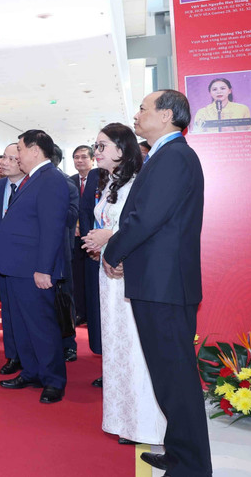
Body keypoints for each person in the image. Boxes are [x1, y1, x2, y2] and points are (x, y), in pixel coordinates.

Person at [96, 90, 210, 475]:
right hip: (157, 282)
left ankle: (192, 466)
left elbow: (146, 218)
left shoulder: (174, 156)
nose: (137, 114)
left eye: (143, 108)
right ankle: (179, 452)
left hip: (164, 286)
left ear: (165, 115)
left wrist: (114, 252)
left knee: (176, 380)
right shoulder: (166, 154)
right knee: (168, 377)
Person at [81, 124, 166, 446]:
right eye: (96, 145)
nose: (96, 151)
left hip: (129, 274)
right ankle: (122, 418)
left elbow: (143, 227)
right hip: (110, 274)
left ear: (122, 149)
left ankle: (145, 423)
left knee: (134, 347)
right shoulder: (110, 181)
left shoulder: (137, 182)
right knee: (116, 347)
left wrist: (109, 239)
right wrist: (100, 244)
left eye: (102, 145)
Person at [0, 130, 69, 404]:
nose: (17, 155)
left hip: (33, 270)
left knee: (41, 326)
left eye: (20, 149)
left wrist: (44, 269)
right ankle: (31, 372)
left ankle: (53, 380)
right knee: (22, 325)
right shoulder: (33, 179)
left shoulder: (50, 179)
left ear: (36, 150)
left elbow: (51, 229)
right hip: (16, 267)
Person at [0, 144, 25, 376]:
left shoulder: (34, 185)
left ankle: (30, 356)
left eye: (13, 157)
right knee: (9, 313)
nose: (6, 162)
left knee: (27, 314)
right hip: (1, 261)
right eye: (5, 157)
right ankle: (13, 356)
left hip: (26, 263)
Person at [70, 145, 102, 383]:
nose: (80, 160)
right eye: (76, 157)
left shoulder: (102, 178)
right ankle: (81, 312)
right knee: (78, 282)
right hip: (77, 241)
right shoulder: (70, 181)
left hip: (101, 245)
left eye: (84, 156)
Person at [52, 144, 81, 363]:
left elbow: (70, 218)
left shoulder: (66, 184)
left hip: (61, 253)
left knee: (63, 300)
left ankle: (68, 344)